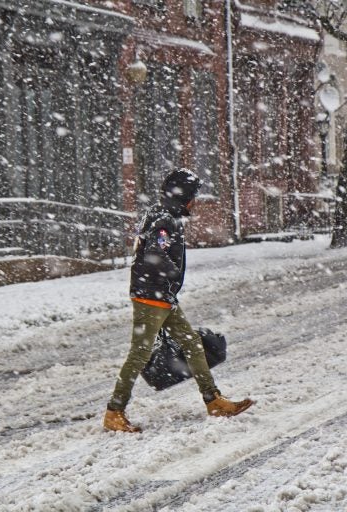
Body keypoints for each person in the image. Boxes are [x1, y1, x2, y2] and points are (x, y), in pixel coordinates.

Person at [104, 168, 254, 433]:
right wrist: (173, 272)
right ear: (184, 195)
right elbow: (154, 253)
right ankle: (114, 411)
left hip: (162, 295)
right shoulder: (164, 220)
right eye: (193, 195)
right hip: (152, 296)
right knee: (139, 354)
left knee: (192, 344)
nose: (194, 201)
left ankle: (213, 400)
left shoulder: (160, 214)